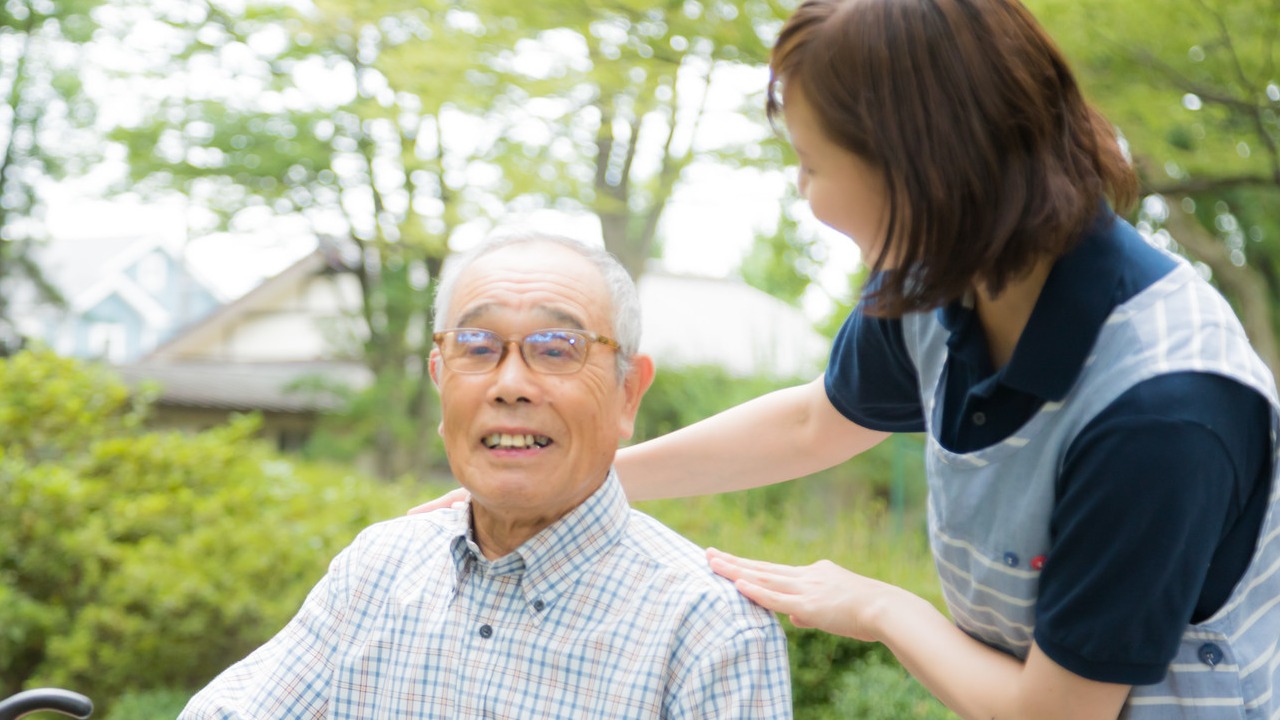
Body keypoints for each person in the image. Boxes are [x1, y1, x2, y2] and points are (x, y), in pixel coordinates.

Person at [413, 1, 1280, 718]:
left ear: (921, 171)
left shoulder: (1162, 410)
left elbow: (1054, 712)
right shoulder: (947, 276)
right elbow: (815, 422)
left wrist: (877, 607)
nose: (804, 192)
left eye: (811, 163)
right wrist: (586, 481)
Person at [182, 233, 792, 719]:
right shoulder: (378, 569)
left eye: (556, 348)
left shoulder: (710, 632)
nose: (510, 385)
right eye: (476, 346)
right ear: (439, 378)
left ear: (628, 392)